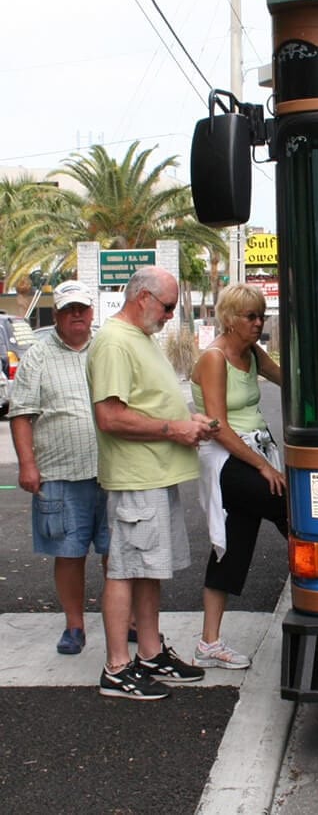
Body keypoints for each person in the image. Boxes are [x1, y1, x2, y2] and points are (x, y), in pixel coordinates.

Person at [87, 266, 218, 700]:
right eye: (166, 307)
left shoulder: (138, 338)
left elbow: (145, 404)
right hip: (135, 478)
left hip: (154, 475)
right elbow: (110, 417)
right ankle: (117, 667)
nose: (168, 315)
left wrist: (186, 423)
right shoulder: (113, 341)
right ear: (142, 297)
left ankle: (149, 652)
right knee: (125, 569)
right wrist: (174, 430)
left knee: (147, 570)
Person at [190, 283, 287, 669]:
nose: (258, 323)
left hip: (253, 451)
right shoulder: (215, 357)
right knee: (293, 510)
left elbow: (286, 379)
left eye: (261, 315)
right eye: (251, 316)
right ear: (230, 319)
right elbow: (218, 426)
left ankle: (208, 643)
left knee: (234, 542)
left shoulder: (250, 352)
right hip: (227, 458)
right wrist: (263, 466)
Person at [9, 280, 108, 655]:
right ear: (57, 315)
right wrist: (27, 465)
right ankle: (75, 625)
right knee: (69, 552)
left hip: (113, 469)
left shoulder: (106, 346)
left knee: (117, 551)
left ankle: (128, 620)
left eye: (83, 308)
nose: (77, 315)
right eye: (69, 310)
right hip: (60, 473)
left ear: (92, 311)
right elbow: (21, 414)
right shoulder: (37, 354)